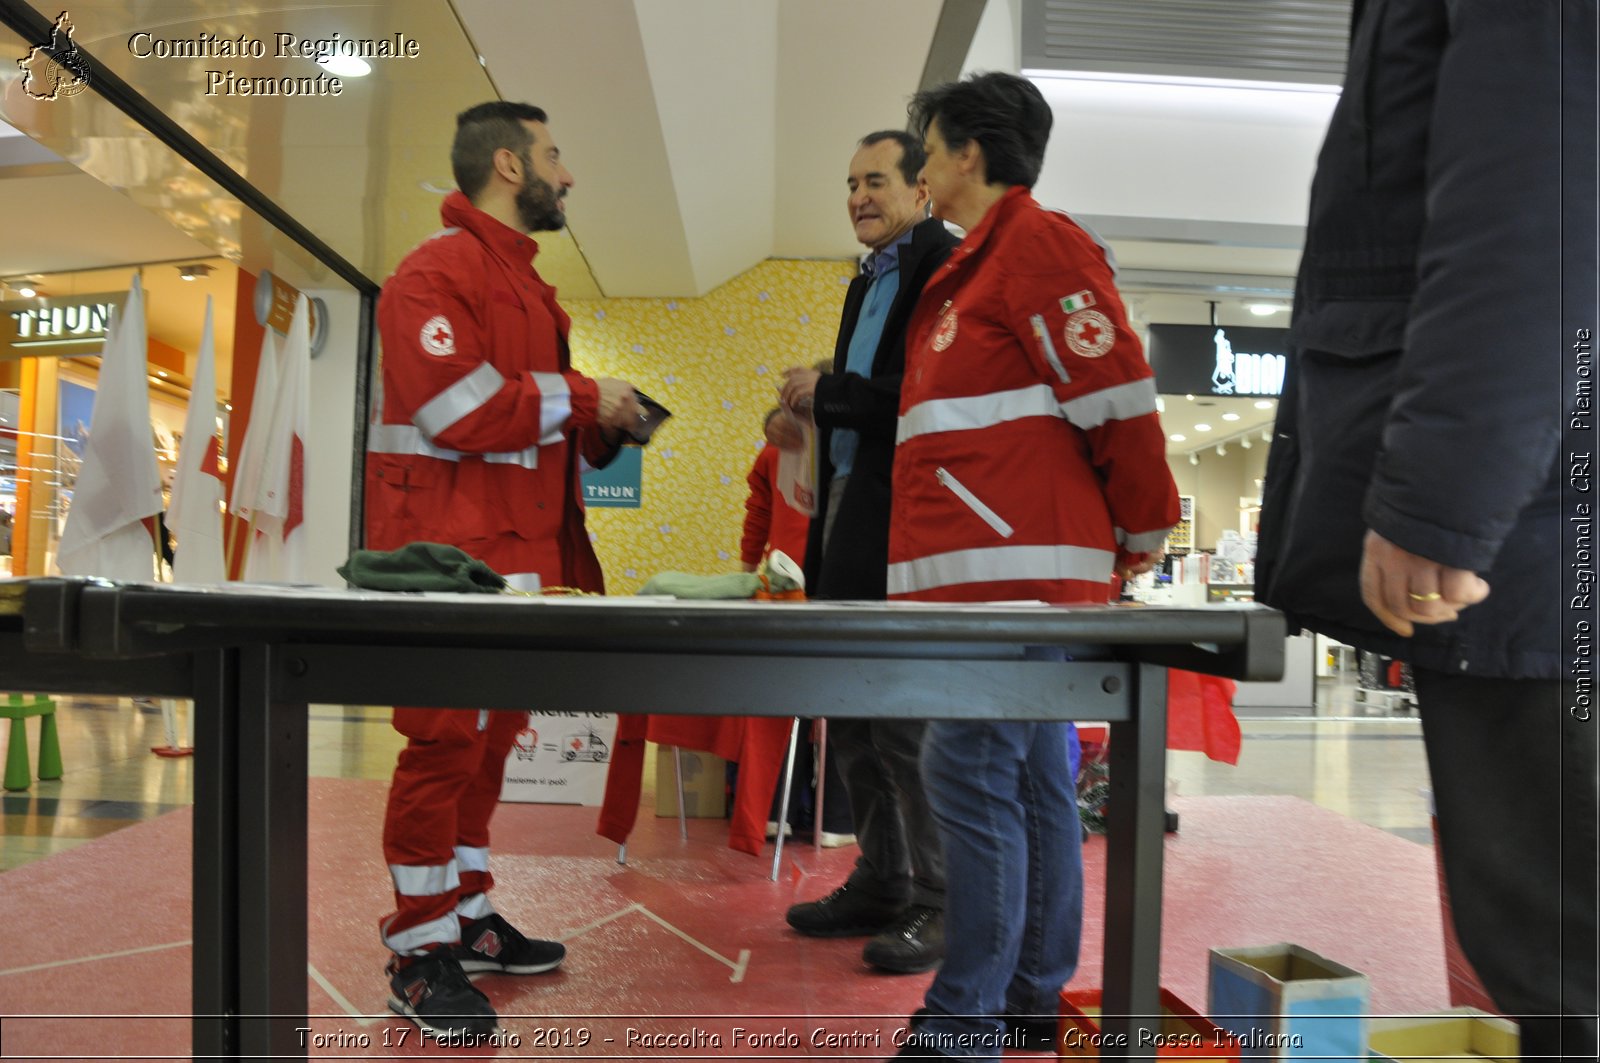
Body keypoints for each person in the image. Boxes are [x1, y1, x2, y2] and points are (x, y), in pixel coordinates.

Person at [1254, 3, 1598, 1060]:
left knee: (1559, 957)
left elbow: (1528, 201)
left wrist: (1440, 499)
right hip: (1536, 515)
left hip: (1534, 536)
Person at [886, 73, 1178, 1059]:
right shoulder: (973, 268)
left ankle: (963, 1015)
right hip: (993, 581)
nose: (917, 166)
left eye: (924, 148)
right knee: (1033, 784)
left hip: (1014, 585)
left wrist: (1145, 528)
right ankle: (1023, 996)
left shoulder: (1035, 246)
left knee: (965, 773)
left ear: (969, 152)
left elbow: (1118, 399)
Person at [365, 100, 642, 1037]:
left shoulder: (525, 287)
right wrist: (585, 393)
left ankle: (468, 916)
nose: (570, 176)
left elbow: (527, 426)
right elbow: (459, 412)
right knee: (443, 746)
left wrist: (598, 422)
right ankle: (418, 950)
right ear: (511, 166)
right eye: (556, 156)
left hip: (519, 560)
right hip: (451, 560)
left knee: (486, 747)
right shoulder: (431, 276)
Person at [775, 130, 960, 974]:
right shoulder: (867, 278)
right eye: (850, 183)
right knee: (848, 708)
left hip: (903, 518)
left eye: (875, 181)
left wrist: (834, 392)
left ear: (922, 188)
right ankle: (884, 878)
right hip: (849, 511)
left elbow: (930, 391)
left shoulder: (941, 266)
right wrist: (813, 405)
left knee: (902, 715)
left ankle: (937, 898)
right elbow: (863, 397)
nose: (858, 197)